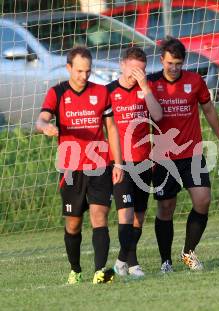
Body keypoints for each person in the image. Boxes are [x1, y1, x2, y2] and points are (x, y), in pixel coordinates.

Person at [36, 46, 124, 284]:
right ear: (68, 68)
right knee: (73, 224)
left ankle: (99, 271)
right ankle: (75, 269)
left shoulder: (101, 92)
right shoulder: (57, 93)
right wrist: (45, 126)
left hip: (100, 165)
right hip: (71, 169)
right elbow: (41, 117)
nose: (83, 76)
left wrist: (118, 163)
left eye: (87, 71)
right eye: (79, 71)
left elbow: (112, 129)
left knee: (99, 216)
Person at [147, 37, 219, 272]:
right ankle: (165, 262)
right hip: (163, 157)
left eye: (178, 64)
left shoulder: (195, 81)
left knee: (203, 201)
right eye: (170, 63)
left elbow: (209, 109)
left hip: (192, 153)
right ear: (162, 60)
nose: (174, 68)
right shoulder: (151, 84)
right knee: (166, 208)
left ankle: (188, 252)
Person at [107, 47, 163, 278]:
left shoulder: (145, 90)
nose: (135, 75)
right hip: (119, 163)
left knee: (139, 217)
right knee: (126, 215)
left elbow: (158, 116)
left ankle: (121, 260)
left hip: (144, 162)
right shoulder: (108, 92)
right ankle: (133, 265)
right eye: (132, 70)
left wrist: (145, 87)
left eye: (141, 71)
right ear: (122, 65)